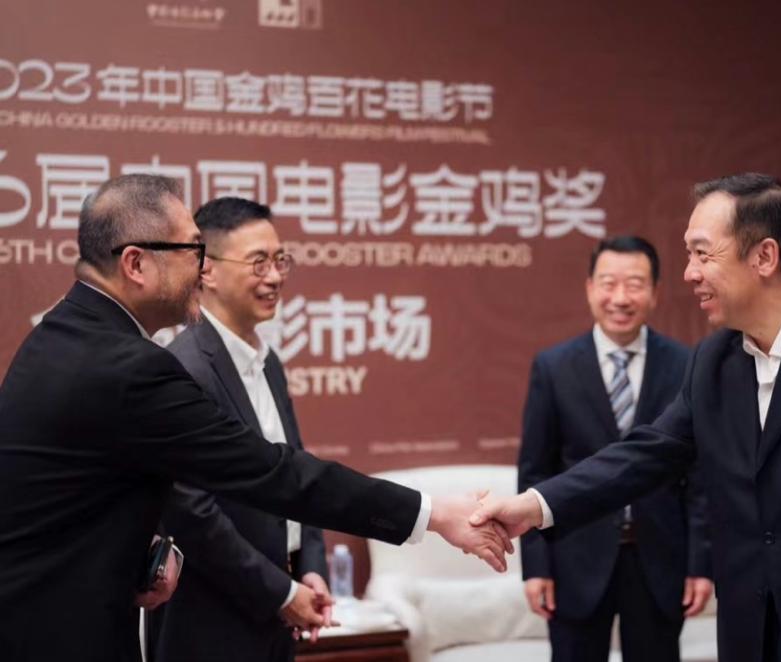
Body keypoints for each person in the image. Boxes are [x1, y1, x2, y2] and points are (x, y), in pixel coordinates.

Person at [472, 173, 781, 662]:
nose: (689, 273)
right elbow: (644, 455)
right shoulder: (714, 361)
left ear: (764, 255)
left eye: (702, 253)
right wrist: (534, 507)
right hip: (751, 637)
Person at [0, 175, 511, 662]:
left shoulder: (64, 337)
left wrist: (147, 551)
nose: (200, 269)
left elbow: (76, 496)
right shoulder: (129, 366)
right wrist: (432, 514)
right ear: (136, 264)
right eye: (192, 250)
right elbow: (269, 471)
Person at [518, 236, 712, 662]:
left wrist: (701, 562)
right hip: (575, 557)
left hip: (659, 558)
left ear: (656, 292)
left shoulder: (686, 364)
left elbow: (699, 479)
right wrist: (536, 567)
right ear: (589, 287)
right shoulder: (553, 367)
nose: (620, 298)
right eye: (608, 283)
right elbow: (535, 472)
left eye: (635, 284)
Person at [149, 198, 327, 662]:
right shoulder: (183, 368)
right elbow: (191, 512)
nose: (275, 277)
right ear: (205, 270)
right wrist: (281, 593)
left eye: (280, 259)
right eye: (258, 262)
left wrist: (310, 567)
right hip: (211, 622)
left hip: (277, 615)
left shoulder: (269, 365)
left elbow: (297, 476)